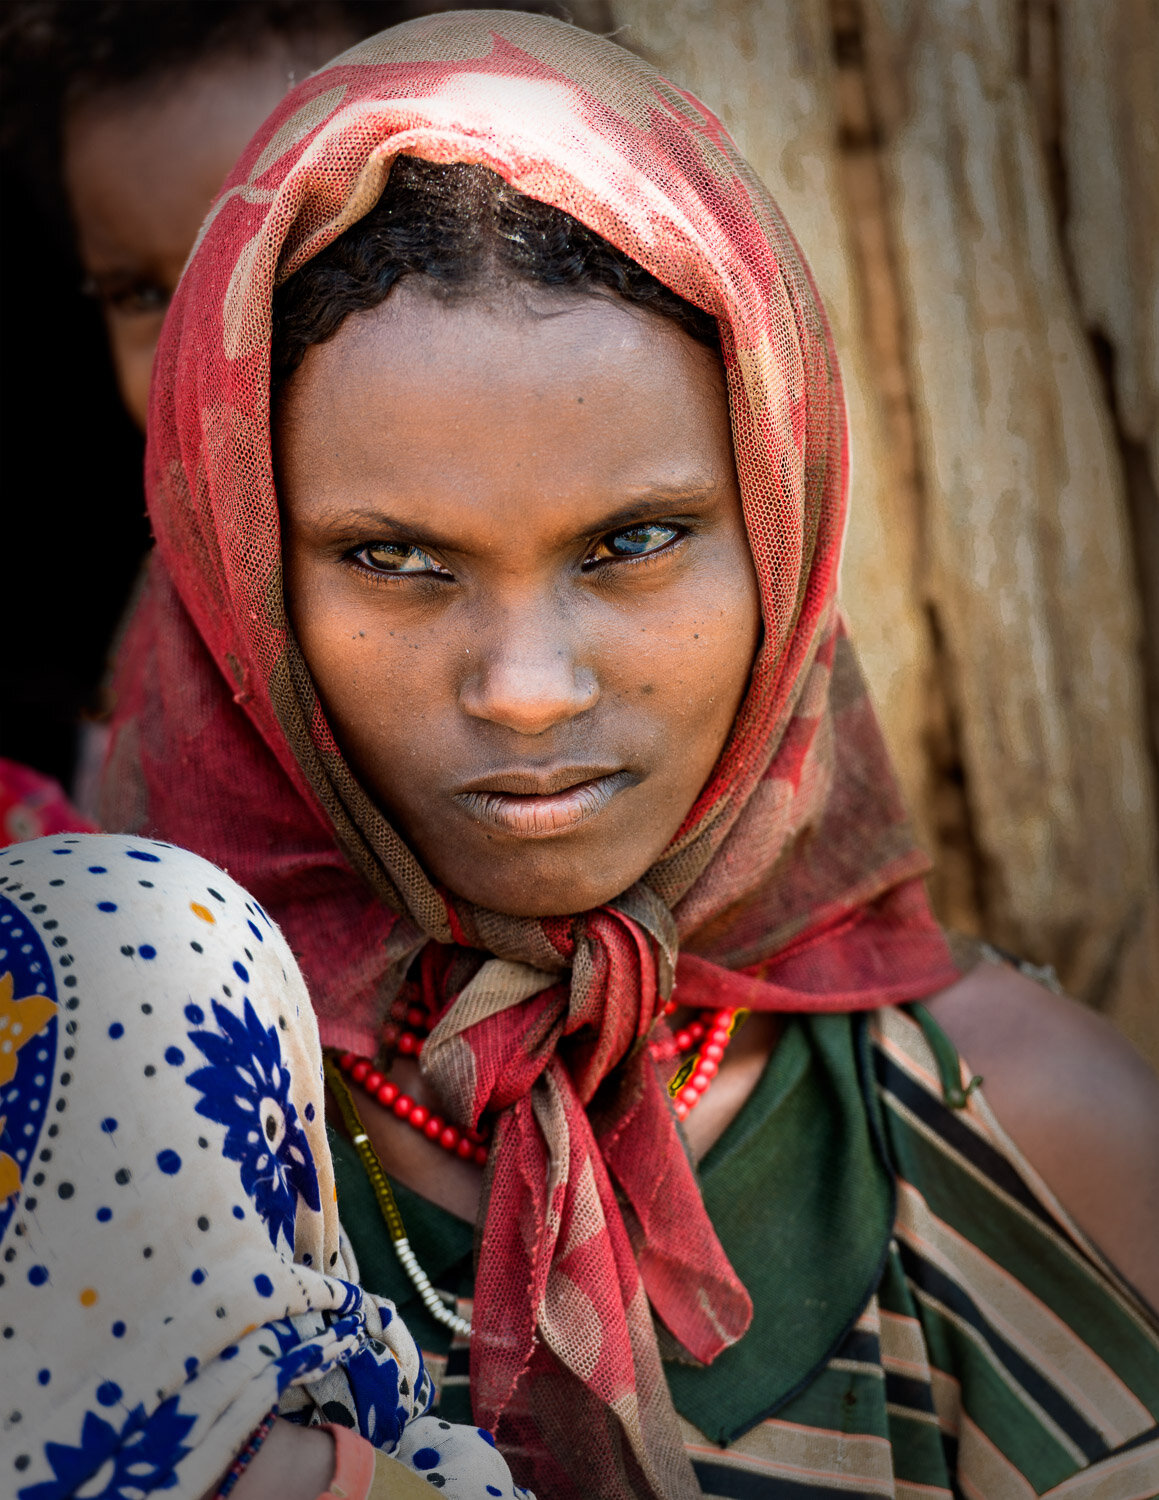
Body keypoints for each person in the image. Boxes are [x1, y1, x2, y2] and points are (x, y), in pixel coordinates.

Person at [13, 7, 1159, 1498]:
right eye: (393, 559)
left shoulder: (1033, 1145)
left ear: (781, 527)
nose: (530, 689)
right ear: (244, 581)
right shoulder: (98, 1137)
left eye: (633, 542)